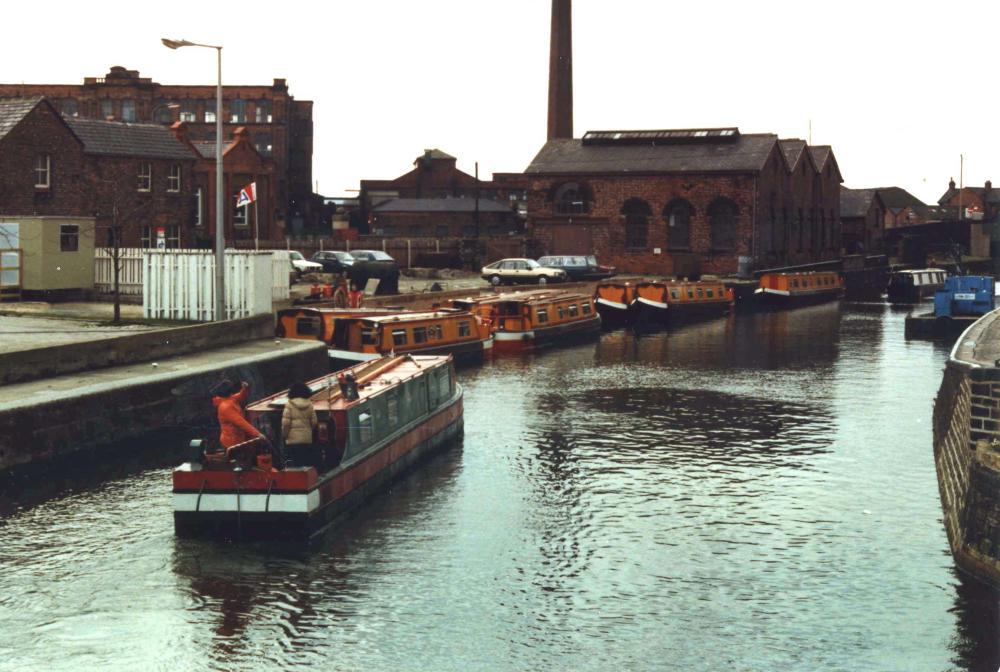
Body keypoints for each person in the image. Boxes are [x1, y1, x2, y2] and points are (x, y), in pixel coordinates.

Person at [213, 380, 271, 465]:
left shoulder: (229, 399)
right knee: (239, 466)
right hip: (232, 443)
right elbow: (241, 423)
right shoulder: (226, 407)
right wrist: (258, 434)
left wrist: (245, 388)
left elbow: (240, 396)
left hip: (238, 440)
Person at [282, 381, 319, 467]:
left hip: (292, 441)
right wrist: (308, 431)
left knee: (295, 464)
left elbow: (286, 424)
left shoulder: (289, 405)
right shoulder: (309, 405)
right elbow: (314, 422)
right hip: (306, 439)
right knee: (305, 462)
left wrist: (285, 436)